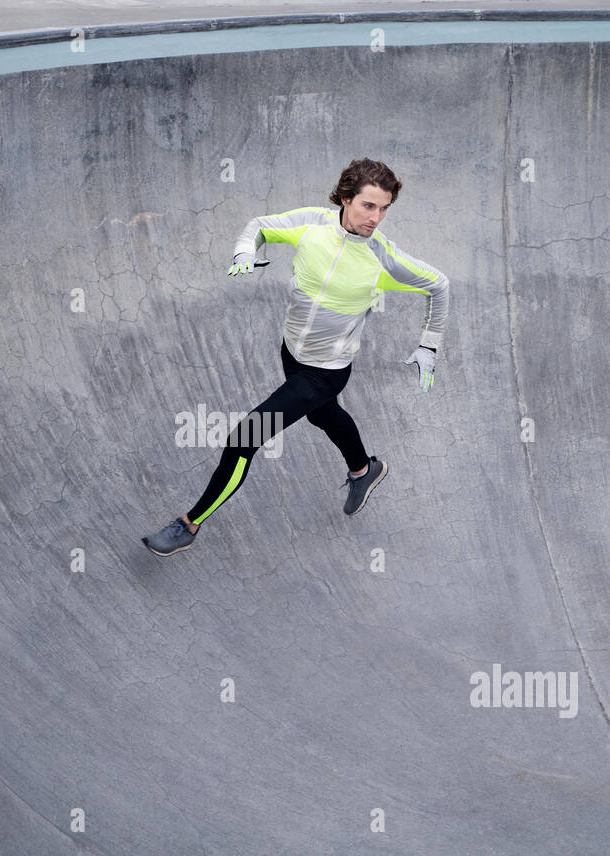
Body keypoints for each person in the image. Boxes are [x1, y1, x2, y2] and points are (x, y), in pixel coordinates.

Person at [143, 157, 448, 557]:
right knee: (323, 414)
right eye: (368, 206)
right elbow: (259, 226)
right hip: (292, 353)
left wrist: (429, 343)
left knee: (243, 440)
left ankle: (189, 524)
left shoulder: (382, 258)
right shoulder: (312, 224)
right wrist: (242, 253)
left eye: (385, 208)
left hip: (326, 371)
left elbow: (439, 284)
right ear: (344, 198)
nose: (377, 218)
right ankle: (364, 469)